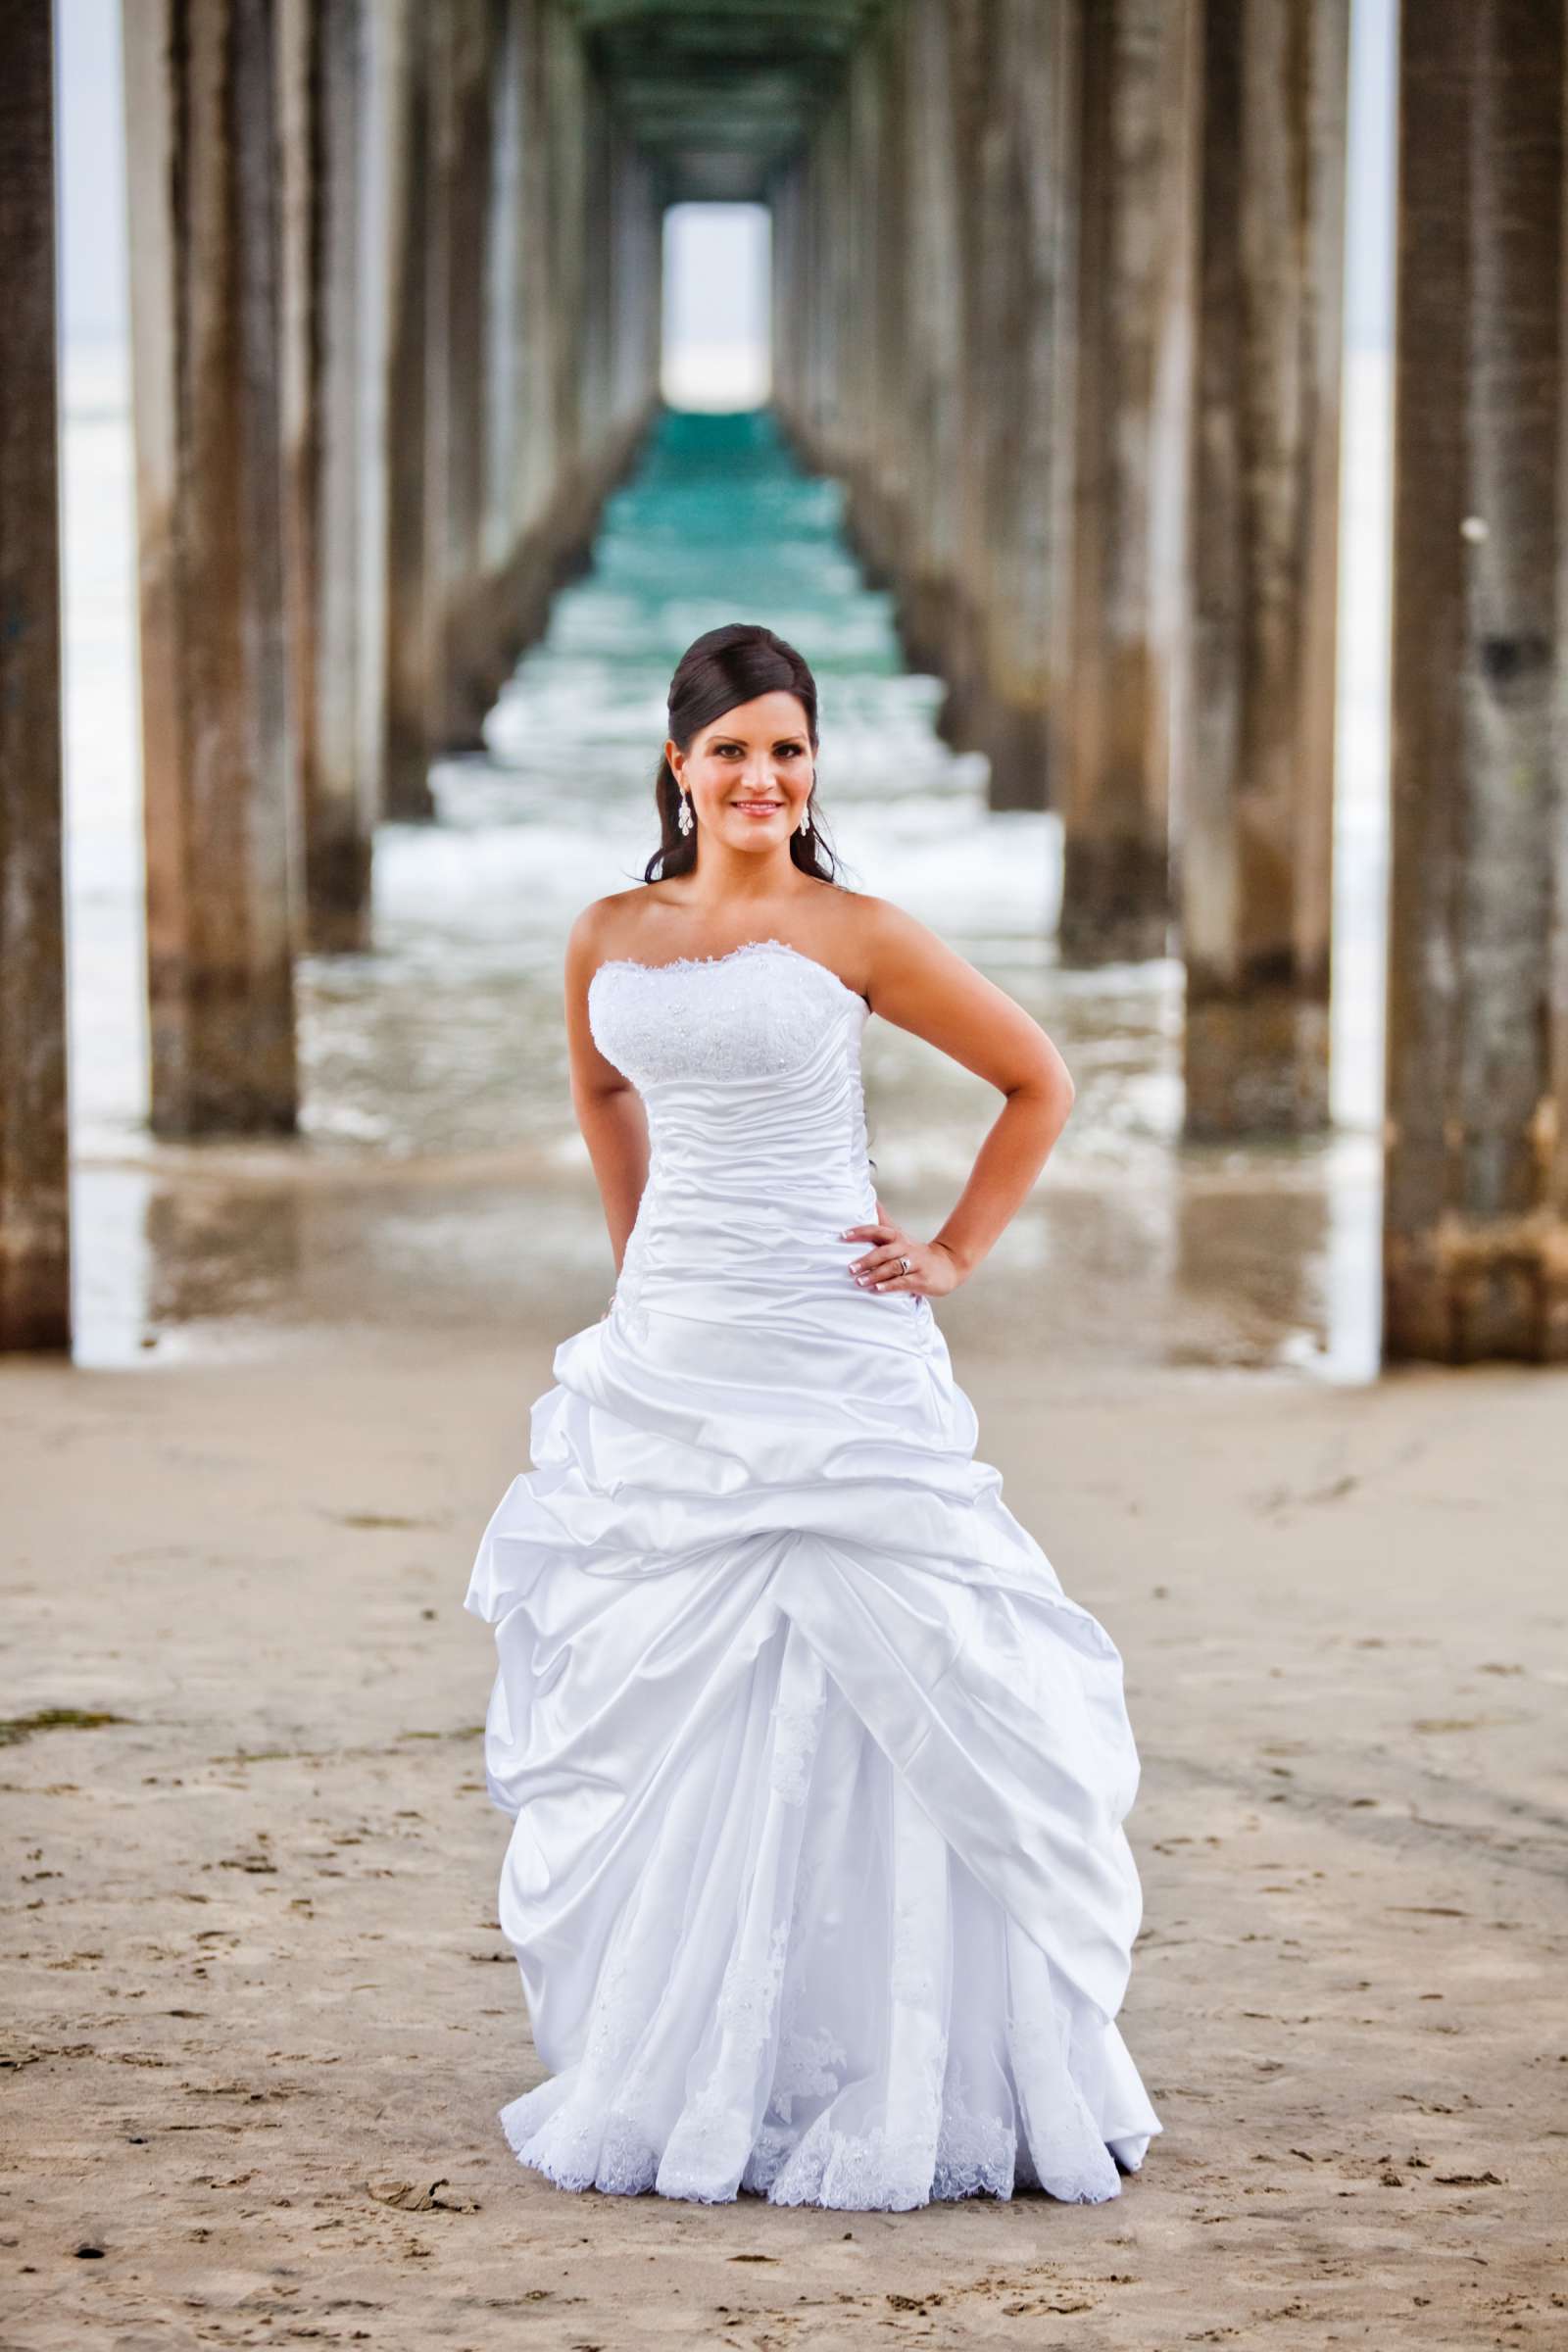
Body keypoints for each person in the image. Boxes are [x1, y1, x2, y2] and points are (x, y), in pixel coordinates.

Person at [464, 620, 1161, 2209]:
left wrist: (954, 1251)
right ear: (678, 764)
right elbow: (601, 1093)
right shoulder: (605, 933)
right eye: (731, 751)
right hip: (677, 1353)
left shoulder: (857, 931)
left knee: (894, 1670)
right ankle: (706, 2051)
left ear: (812, 763)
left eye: (788, 748)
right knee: (681, 1704)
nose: (762, 777)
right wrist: (641, 1264)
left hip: (837, 1352)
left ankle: (915, 2061)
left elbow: (1036, 1078)